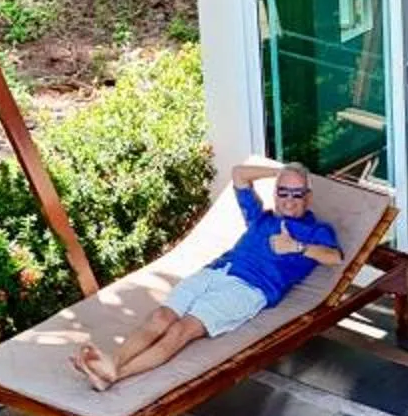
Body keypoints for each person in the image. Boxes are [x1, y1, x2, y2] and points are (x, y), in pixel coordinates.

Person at [73, 162, 342, 391]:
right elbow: (239, 174)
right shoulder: (260, 217)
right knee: (161, 317)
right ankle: (113, 362)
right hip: (216, 271)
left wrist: (297, 247)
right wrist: (280, 171)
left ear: (308, 197)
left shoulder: (315, 230)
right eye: (283, 192)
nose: (290, 200)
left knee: (180, 330)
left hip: (248, 290)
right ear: (274, 193)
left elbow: (335, 257)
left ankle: (116, 375)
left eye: (297, 194)